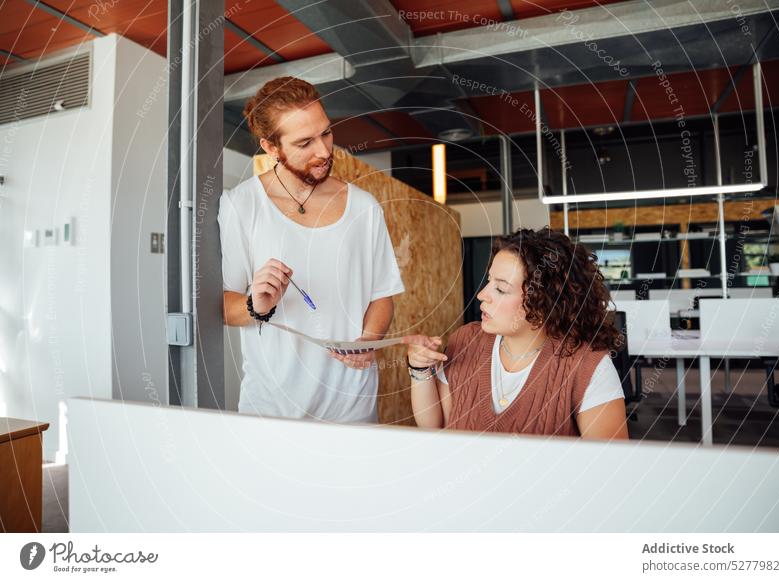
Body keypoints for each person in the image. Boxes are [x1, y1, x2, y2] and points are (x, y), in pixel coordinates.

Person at [218, 76, 404, 422]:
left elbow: (382, 295)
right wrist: (256, 305)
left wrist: (369, 338)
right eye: (305, 143)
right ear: (271, 147)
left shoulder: (364, 207)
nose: (324, 151)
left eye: (326, 133)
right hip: (273, 410)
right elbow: (226, 309)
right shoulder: (241, 205)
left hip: (353, 408)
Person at [404, 227, 628, 439]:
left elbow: (609, 467)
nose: (482, 294)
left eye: (501, 289)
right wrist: (420, 369)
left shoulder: (587, 366)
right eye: (489, 281)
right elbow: (436, 425)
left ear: (543, 303)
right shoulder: (465, 341)